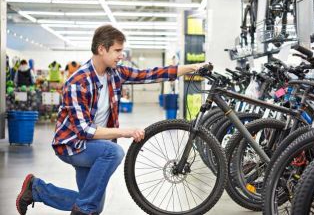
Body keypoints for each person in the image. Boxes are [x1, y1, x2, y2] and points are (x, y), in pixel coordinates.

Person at [16, 24, 206, 215]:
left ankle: (36, 189)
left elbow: (150, 74)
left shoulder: (115, 73)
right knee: (113, 152)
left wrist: (193, 67)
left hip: (95, 145)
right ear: (101, 49)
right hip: (72, 145)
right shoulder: (77, 82)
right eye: (117, 50)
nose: (121, 55)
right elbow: (84, 131)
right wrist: (126, 132)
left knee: (92, 206)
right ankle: (80, 207)